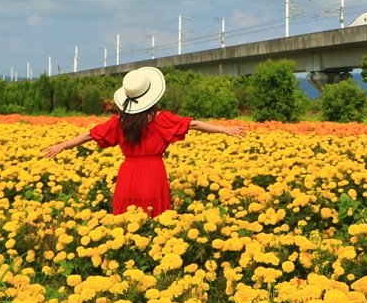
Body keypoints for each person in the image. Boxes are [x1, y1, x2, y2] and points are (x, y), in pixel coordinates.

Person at [42, 67, 246, 217]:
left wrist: (63, 145)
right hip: (152, 172)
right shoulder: (161, 118)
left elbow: (90, 135)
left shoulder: (119, 121)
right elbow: (193, 124)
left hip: (128, 174)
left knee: (126, 220)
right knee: (154, 217)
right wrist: (224, 129)